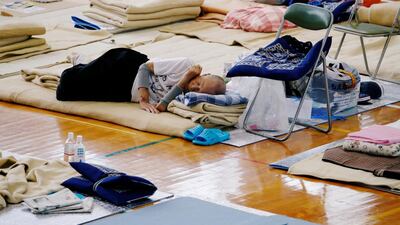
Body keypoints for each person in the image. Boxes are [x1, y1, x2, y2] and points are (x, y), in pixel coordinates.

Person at [56, 48, 226, 113]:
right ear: (203, 74)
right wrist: (143, 98)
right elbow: (145, 67)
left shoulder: (187, 99)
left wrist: (183, 84)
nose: (195, 87)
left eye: (198, 91)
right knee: (66, 80)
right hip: (127, 67)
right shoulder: (187, 65)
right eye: (199, 82)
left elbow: (161, 107)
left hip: (123, 91)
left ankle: (85, 64)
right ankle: (82, 63)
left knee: (66, 93)